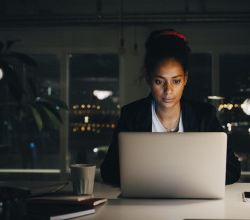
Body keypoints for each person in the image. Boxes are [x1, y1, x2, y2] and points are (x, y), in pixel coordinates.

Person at [100, 29, 241, 186]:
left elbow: (233, 169)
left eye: (176, 81)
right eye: (159, 81)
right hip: (144, 203)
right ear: (148, 79)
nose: (168, 90)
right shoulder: (132, 115)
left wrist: (189, 179)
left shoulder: (204, 115)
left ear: (185, 79)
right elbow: (109, 171)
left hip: (193, 202)